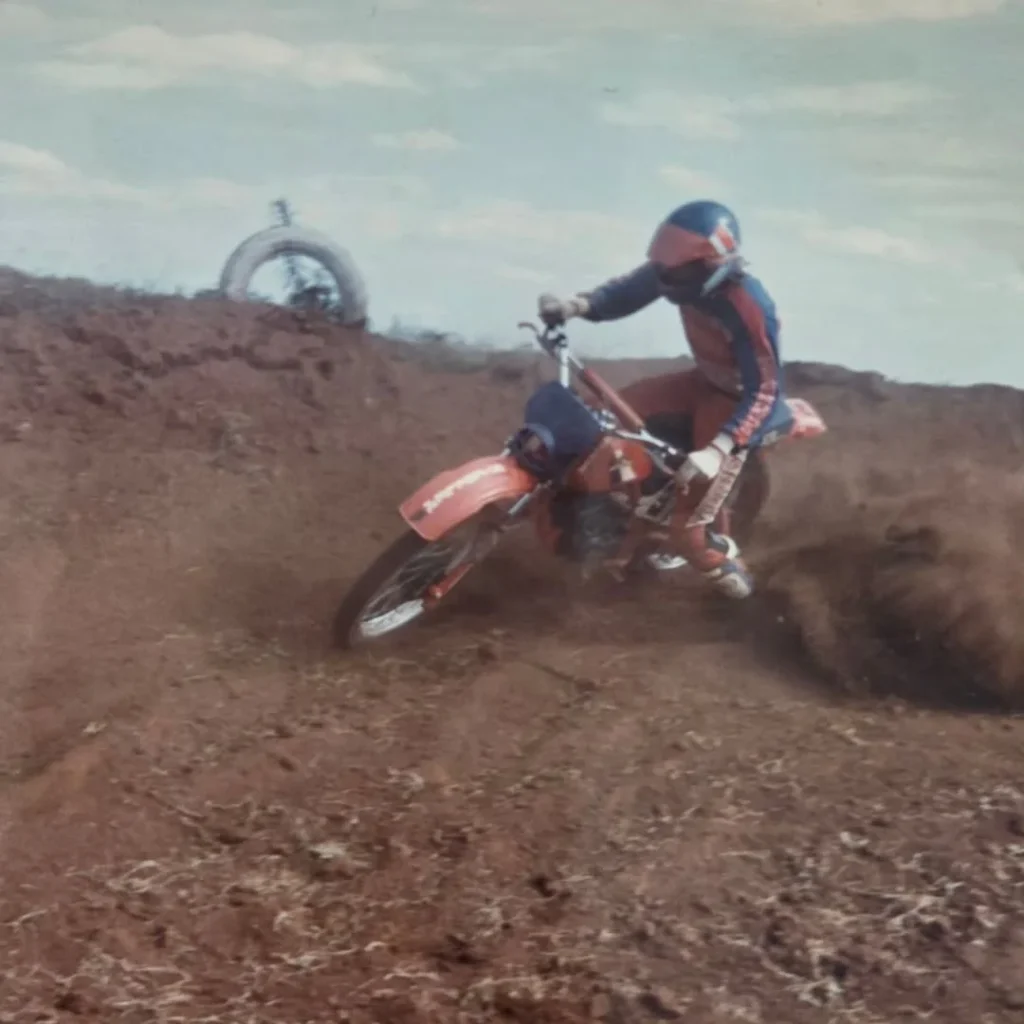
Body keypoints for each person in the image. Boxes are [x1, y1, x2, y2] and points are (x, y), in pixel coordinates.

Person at [537, 199, 793, 601]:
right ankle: (610, 519)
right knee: (603, 417)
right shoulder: (673, 273)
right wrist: (574, 306)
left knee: (688, 533)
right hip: (703, 380)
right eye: (664, 267)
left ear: (715, 264)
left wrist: (719, 448)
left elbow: (764, 390)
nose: (669, 278)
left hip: (736, 404)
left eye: (680, 269)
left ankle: (748, 597)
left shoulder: (749, 308)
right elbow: (625, 294)